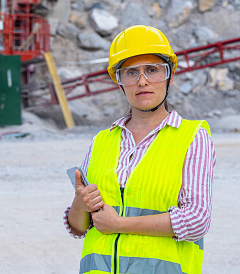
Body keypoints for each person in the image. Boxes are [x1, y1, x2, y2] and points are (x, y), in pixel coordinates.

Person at [63, 25, 216, 274]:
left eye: (152, 70)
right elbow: (79, 228)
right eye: (131, 72)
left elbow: (197, 220)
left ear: (170, 76)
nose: (142, 81)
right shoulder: (102, 141)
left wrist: (120, 224)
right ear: (119, 81)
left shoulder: (192, 137)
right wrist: (81, 204)